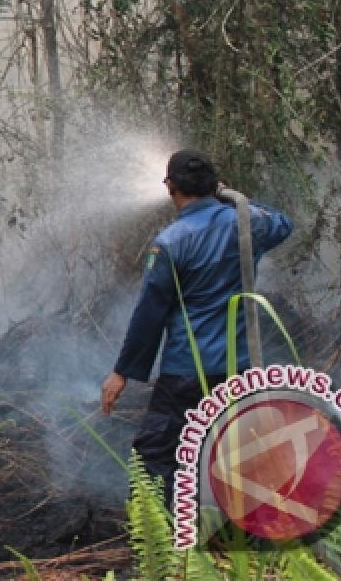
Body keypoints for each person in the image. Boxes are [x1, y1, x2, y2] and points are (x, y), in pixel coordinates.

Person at [100, 148, 293, 497]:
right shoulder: (247, 223)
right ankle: (237, 538)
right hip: (239, 368)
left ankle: (168, 538)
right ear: (212, 185)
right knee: (238, 455)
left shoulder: (171, 242)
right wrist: (234, 199)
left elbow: (150, 314)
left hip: (187, 370)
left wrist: (122, 372)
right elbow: (283, 223)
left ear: (171, 187)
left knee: (157, 457)